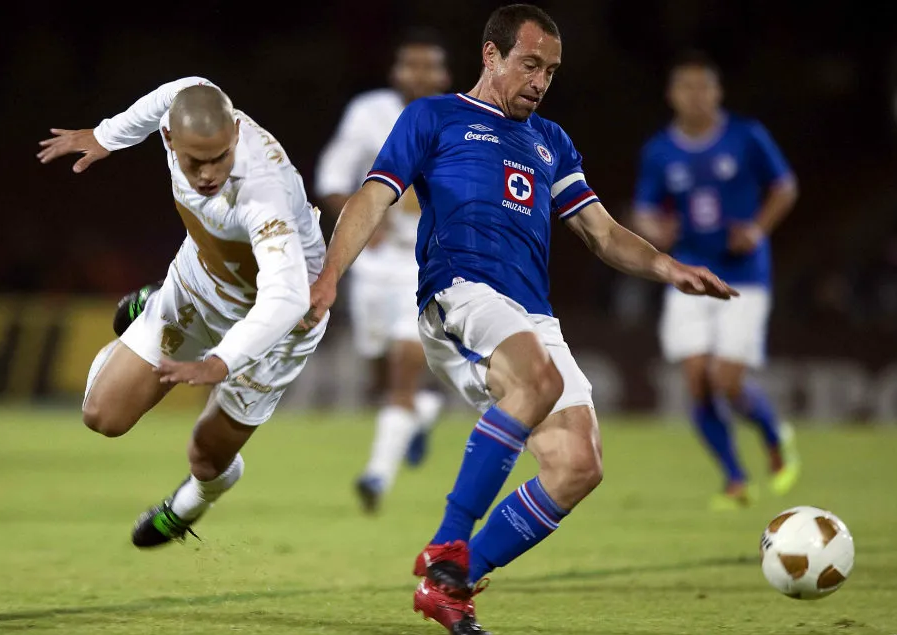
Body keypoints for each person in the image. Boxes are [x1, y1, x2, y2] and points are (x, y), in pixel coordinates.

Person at [301, 6, 738, 634]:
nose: (540, 81)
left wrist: (670, 268)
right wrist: (329, 276)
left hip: (531, 314)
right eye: (530, 65)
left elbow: (603, 234)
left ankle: (449, 585)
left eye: (551, 71)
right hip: (459, 292)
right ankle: (448, 541)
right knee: (540, 380)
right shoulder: (434, 117)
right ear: (491, 54)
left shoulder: (550, 142)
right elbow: (373, 197)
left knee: (578, 464)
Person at [37, 78, 328, 547]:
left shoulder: (263, 193)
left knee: (207, 459)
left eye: (221, 158)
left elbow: (288, 297)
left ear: (236, 133)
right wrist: (108, 135)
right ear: (169, 139)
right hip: (198, 285)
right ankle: (154, 306)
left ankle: (189, 504)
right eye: (196, 162)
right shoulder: (188, 105)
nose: (209, 174)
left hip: (278, 327)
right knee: (102, 417)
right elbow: (174, 91)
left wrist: (221, 361)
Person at [632, 51, 800, 510]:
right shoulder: (659, 150)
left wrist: (758, 230)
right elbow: (643, 210)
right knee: (696, 380)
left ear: (718, 92)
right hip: (688, 272)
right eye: (686, 87)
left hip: (744, 273)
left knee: (726, 380)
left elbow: (785, 186)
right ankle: (734, 478)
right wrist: (655, 230)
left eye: (704, 87)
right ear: (672, 95)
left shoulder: (746, 136)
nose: (696, 96)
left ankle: (774, 435)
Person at [315, 29, 451, 513]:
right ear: (396, 71)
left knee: (402, 372)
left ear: (444, 75)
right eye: (411, 64)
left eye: (429, 65)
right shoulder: (368, 112)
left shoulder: (462, 119)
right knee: (378, 369)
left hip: (426, 263)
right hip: (373, 266)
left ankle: (376, 476)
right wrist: (359, 217)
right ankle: (422, 414)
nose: (420, 74)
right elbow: (332, 178)